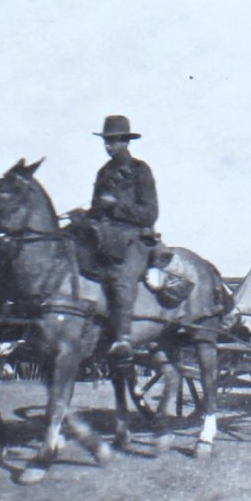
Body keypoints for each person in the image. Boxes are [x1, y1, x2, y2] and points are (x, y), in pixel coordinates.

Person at [87, 115, 158, 359]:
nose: (109, 146)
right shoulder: (103, 173)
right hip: (107, 238)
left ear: (126, 142)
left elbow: (150, 213)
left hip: (135, 239)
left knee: (122, 278)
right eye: (107, 141)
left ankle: (123, 338)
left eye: (115, 141)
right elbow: (97, 208)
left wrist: (116, 205)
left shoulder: (140, 171)